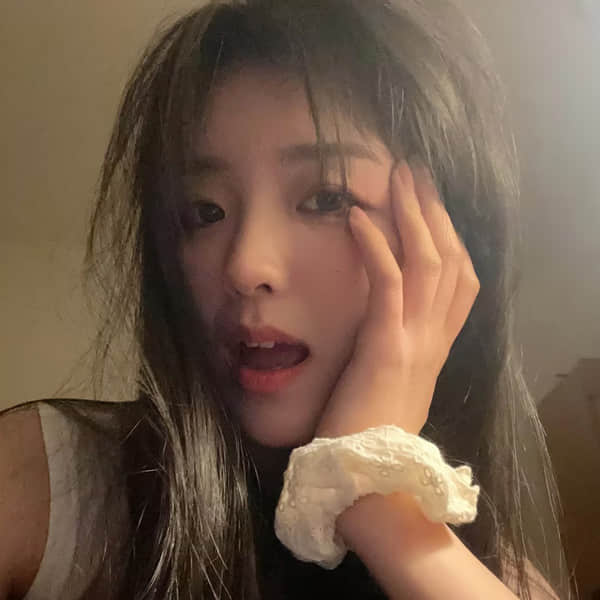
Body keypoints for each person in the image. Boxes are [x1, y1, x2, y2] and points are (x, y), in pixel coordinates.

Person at [0, 0, 575, 599]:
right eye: (204, 212)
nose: (245, 266)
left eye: (327, 199)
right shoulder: (48, 484)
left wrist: (377, 499)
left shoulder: (489, 576)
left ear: (445, 245)